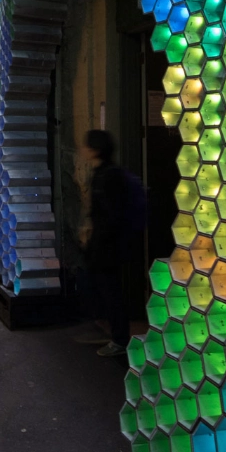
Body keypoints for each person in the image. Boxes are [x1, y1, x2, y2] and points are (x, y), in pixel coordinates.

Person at [79, 129, 137, 357]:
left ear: (95, 149)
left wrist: (97, 240)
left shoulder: (108, 176)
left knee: (112, 292)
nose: (83, 149)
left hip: (108, 245)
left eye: (86, 145)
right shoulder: (103, 173)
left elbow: (111, 215)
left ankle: (120, 340)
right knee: (106, 289)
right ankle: (113, 332)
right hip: (106, 243)